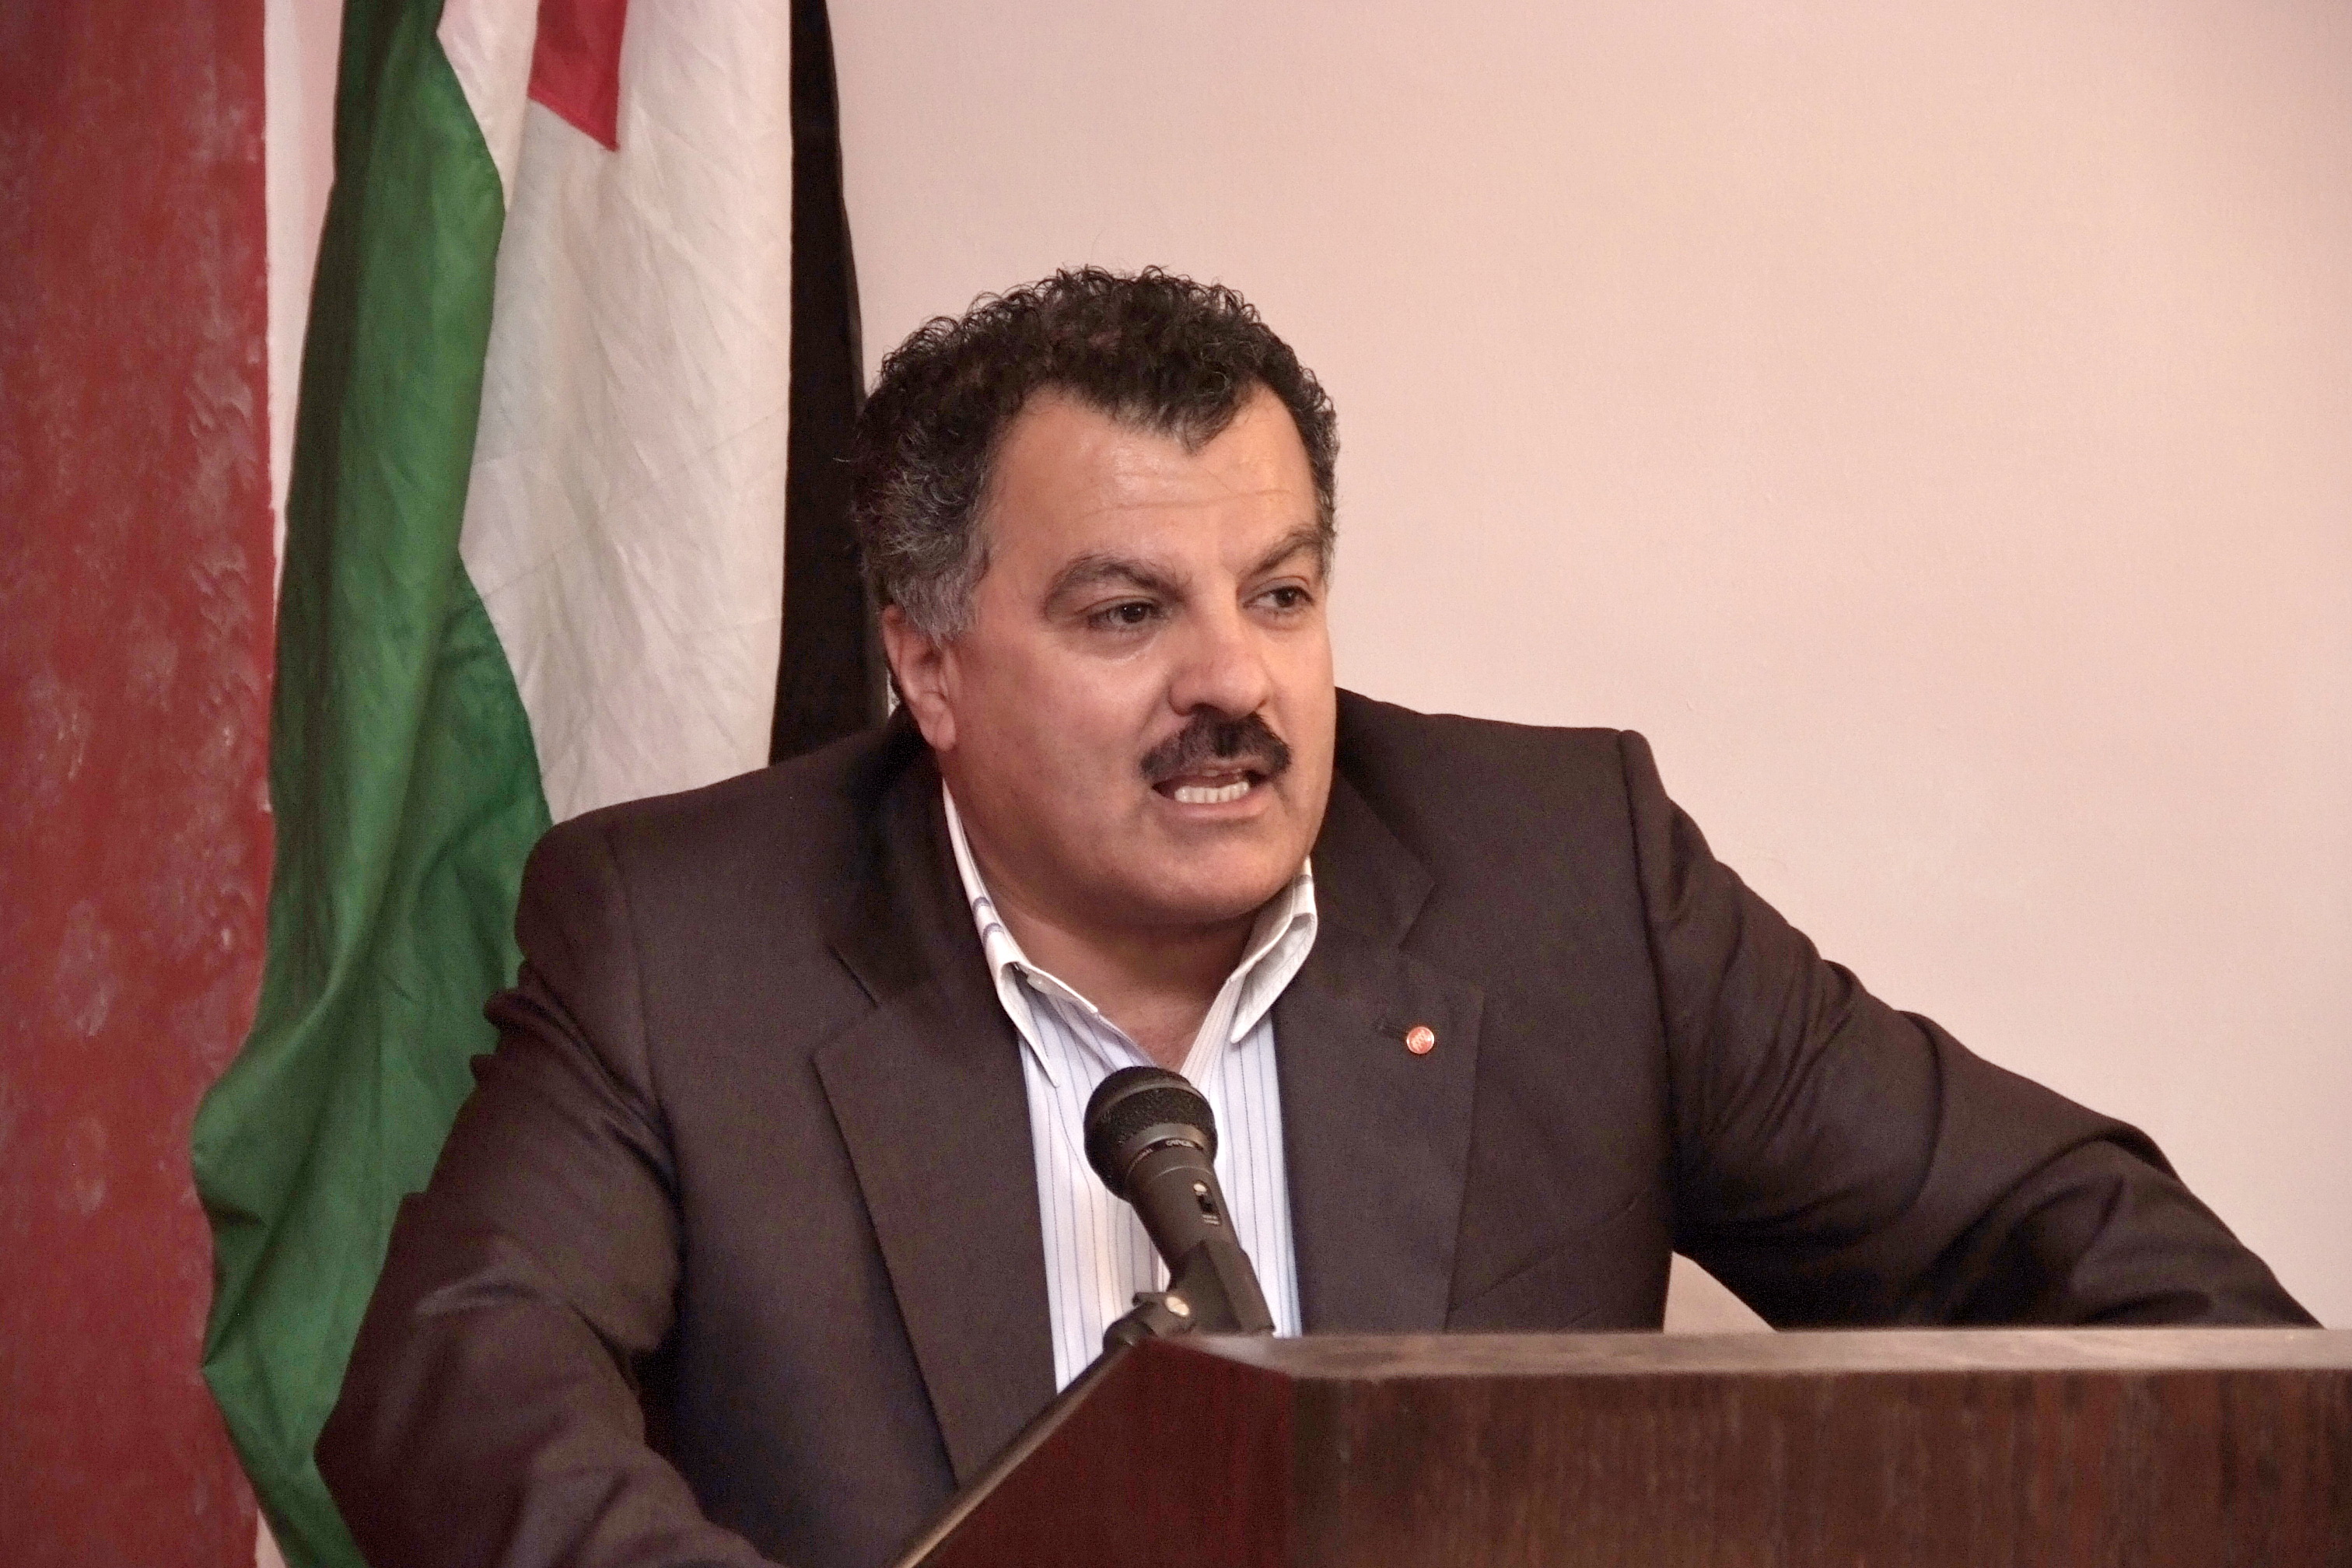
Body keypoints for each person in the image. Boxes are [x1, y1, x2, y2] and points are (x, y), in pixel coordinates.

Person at [319, 268, 2310, 1568]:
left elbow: (2060, 1246)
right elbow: (456, 1391)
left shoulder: (1562, 882)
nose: (1236, 683)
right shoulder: (688, 941)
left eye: (1280, 595)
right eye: (1128, 612)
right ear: (929, 667)